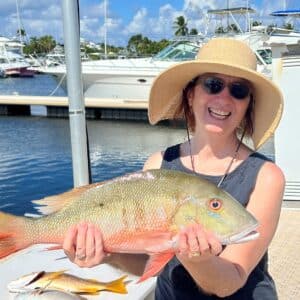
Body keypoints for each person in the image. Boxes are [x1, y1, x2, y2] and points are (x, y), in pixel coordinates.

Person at [63, 38, 285, 299]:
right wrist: (107, 253)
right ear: (191, 95)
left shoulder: (267, 176)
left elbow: (230, 282)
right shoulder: (158, 164)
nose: (224, 98)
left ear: (248, 103)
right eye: (213, 85)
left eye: (238, 90)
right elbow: (149, 263)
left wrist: (197, 260)